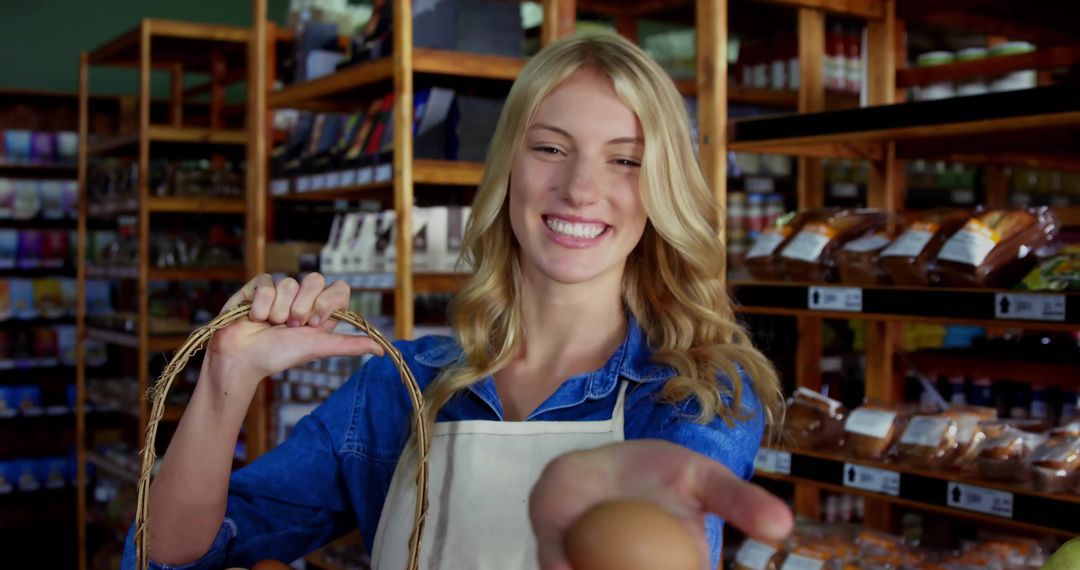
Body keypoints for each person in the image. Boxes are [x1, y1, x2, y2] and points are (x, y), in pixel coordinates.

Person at [121, 32, 793, 570]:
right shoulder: (401, 386)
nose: (581, 188)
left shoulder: (696, 396)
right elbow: (177, 554)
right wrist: (226, 377)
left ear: (664, 190)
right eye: (550, 148)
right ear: (507, 170)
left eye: (626, 160)